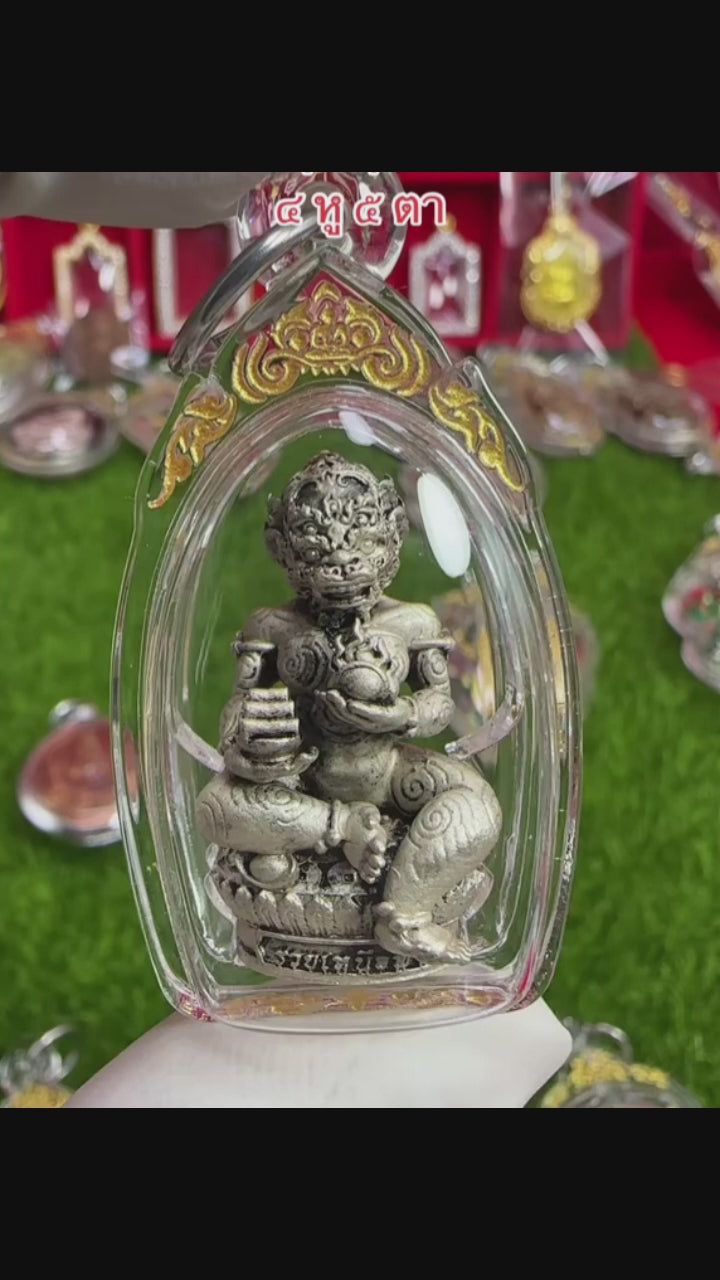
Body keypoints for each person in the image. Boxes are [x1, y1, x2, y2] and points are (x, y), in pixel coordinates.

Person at [2, 172, 571, 1106]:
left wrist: (398, 716)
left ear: (390, 545)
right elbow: (237, 731)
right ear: (285, 556)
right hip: (307, 800)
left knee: (477, 806)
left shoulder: (411, 622)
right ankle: (368, 870)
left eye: (358, 555)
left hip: (394, 776)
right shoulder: (273, 628)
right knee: (218, 809)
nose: (340, 576)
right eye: (319, 560)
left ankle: (401, 911)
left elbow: (442, 706)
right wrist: (260, 745)